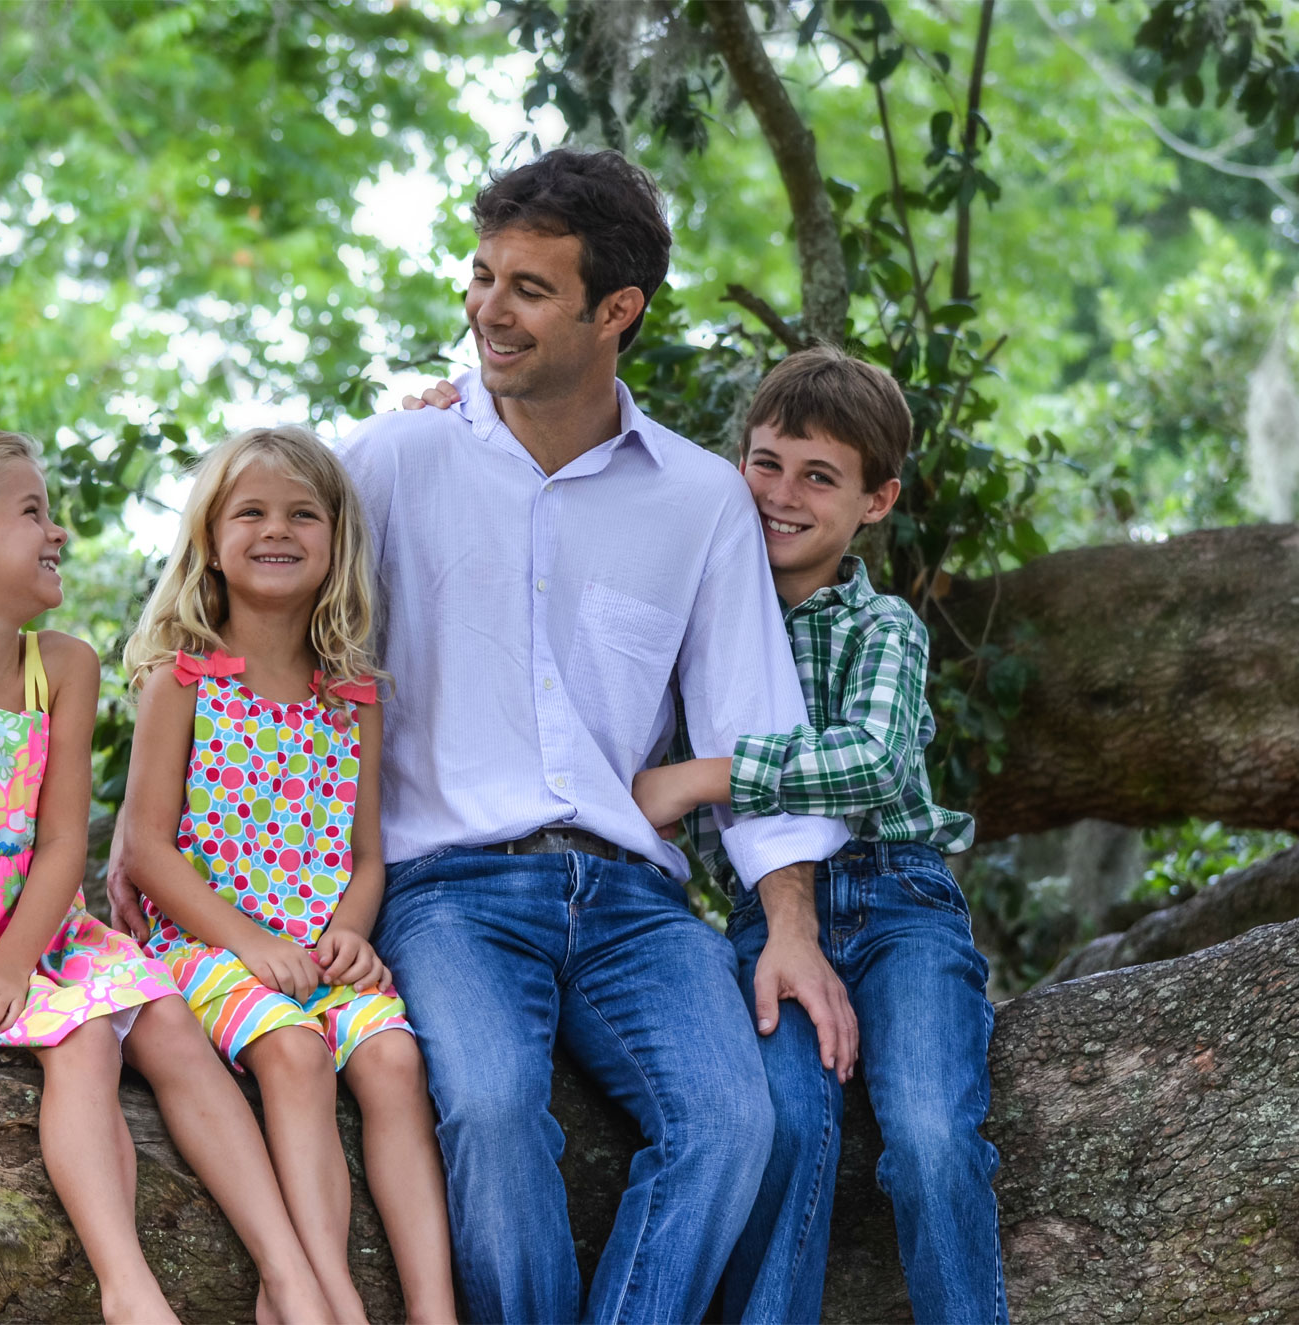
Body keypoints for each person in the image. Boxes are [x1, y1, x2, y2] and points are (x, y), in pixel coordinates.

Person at [109, 148, 856, 1324]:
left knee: (733, 1119)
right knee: (496, 1105)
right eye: (479, 276)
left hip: (633, 899)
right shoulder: (394, 459)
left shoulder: (699, 497)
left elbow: (751, 717)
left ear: (615, 311)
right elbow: (256, 594)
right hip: (446, 889)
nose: (484, 311)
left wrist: (791, 925)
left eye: (524, 288)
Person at [0, 415, 332, 1325]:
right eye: (33, 512)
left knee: (163, 1019)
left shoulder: (66, 664)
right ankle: (128, 1286)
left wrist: (17, 960)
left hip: (35, 923)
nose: (57, 531)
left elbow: (61, 843)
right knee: (89, 1035)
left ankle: (288, 1272)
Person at [630, 347, 1005, 1324]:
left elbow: (874, 760)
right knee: (786, 1124)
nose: (779, 494)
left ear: (874, 501)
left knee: (927, 1134)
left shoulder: (879, 626)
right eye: (764, 462)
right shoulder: (694, 618)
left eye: (817, 476)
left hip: (898, 904)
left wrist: (705, 774)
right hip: (765, 920)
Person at [120, 425, 456, 1325]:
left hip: (321, 946)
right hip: (212, 942)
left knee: (393, 1061)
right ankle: (326, 1293)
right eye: (253, 512)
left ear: (338, 540)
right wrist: (255, 943)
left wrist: (350, 927)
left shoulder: (355, 694)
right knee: (296, 1050)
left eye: (304, 513)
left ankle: (434, 1309)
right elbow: (149, 849)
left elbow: (366, 855)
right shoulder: (183, 679)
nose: (279, 529)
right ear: (211, 540)